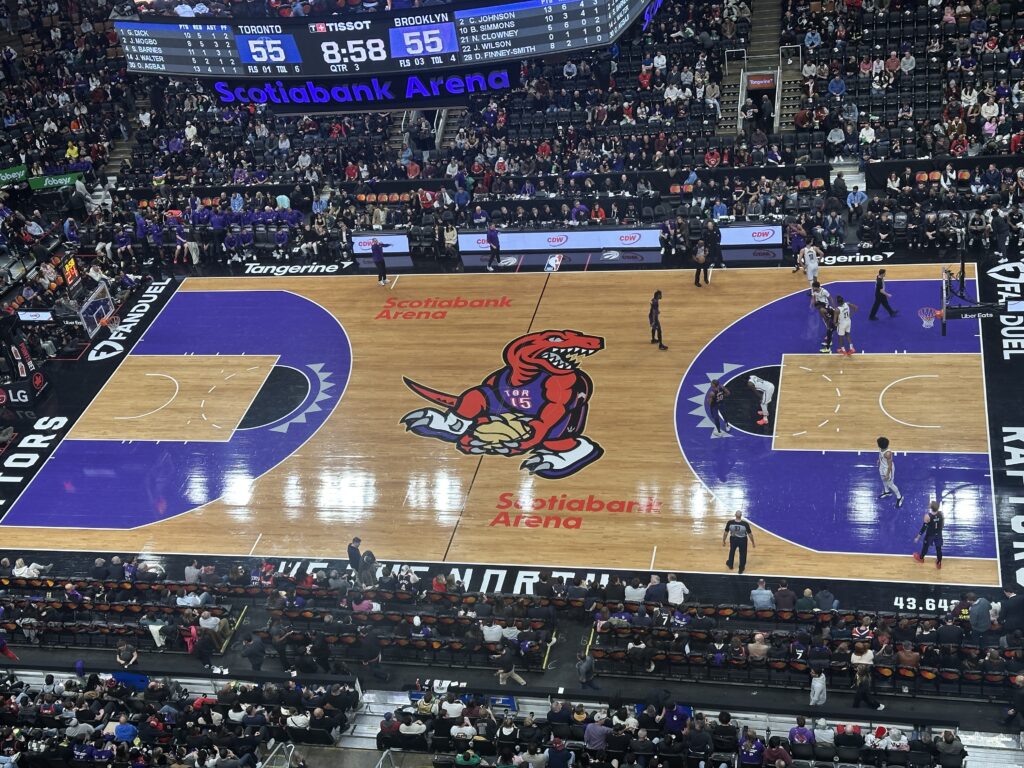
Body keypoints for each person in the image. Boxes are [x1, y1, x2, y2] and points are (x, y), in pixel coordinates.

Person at [913, 500, 944, 568]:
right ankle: (939, 562)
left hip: (930, 535)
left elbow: (923, 528)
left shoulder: (927, 516)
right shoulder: (941, 514)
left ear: (931, 507)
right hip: (938, 534)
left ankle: (921, 558)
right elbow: (942, 524)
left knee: (925, 547)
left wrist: (917, 537)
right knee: (938, 549)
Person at [877, 436, 905, 508]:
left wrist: (887, 474)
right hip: (882, 467)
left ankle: (899, 497)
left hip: (887, 470)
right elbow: (880, 454)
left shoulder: (888, 454)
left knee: (890, 484)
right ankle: (887, 492)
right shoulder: (881, 448)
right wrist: (879, 460)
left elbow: (889, 465)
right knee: (883, 480)